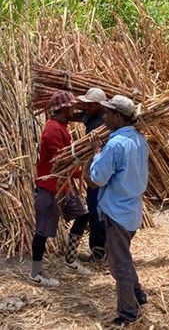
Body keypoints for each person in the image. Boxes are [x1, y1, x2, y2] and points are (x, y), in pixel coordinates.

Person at [87, 95, 149, 327]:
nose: (104, 116)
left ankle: (127, 314)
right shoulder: (140, 140)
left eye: (108, 113)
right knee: (124, 257)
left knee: (118, 264)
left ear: (119, 117)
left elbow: (98, 178)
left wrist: (96, 153)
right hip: (131, 210)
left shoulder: (114, 144)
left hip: (117, 212)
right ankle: (139, 294)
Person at [31, 90, 93, 287]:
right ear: (64, 108)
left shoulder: (60, 126)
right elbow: (61, 163)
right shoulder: (53, 130)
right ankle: (36, 273)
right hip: (49, 188)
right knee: (42, 231)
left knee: (83, 215)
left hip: (63, 187)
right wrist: (81, 167)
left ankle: (70, 260)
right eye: (72, 106)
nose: (75, 109)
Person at [72, 87, 108, 262]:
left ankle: (100, 252)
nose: (86, 107)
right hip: (94, 171)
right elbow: (75, 116)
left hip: (103, 173)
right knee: (94, 210)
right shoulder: (91, 116)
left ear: (98, 105)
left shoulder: (107, 122)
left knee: (98, 211)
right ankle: (100, 251)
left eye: (89, 105)